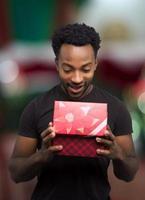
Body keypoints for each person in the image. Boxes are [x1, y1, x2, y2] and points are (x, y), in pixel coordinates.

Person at [9, 23, 139, 200]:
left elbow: (129, 173)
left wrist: (118, 155)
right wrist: (41, 156)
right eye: (68, 69)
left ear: (95, 64)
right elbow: (16, 173)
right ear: (56, 64)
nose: (77, 78)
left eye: (85, 69)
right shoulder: (37, 107)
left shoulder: (115, 108)